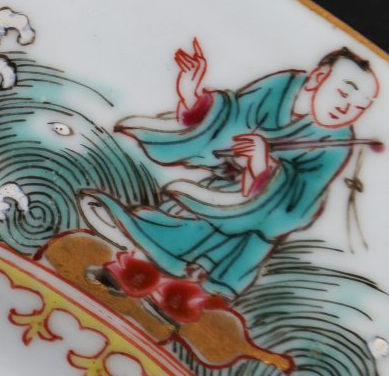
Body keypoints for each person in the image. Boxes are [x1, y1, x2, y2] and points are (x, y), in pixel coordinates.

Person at [83, 41, 379, 299]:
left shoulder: (338, 142)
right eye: (344, 93)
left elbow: (302, 199)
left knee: (214, 260)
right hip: (222, 187)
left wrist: (265, 168)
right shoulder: (281, 87)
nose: (347, 108)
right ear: (317, 78)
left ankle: (179, 300)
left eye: (360, 107)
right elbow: (231, 116)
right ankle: (126, 272)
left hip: (258, 216)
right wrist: (193, 96)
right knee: (181, 221)